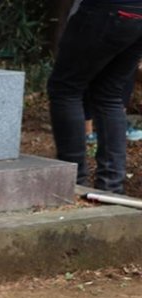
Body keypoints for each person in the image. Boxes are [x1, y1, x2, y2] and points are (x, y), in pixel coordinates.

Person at [48, 0, 142, 194]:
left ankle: (73, 182)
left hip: (106, 9)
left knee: (65, 88)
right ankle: (111, 186)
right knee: (109, 95)